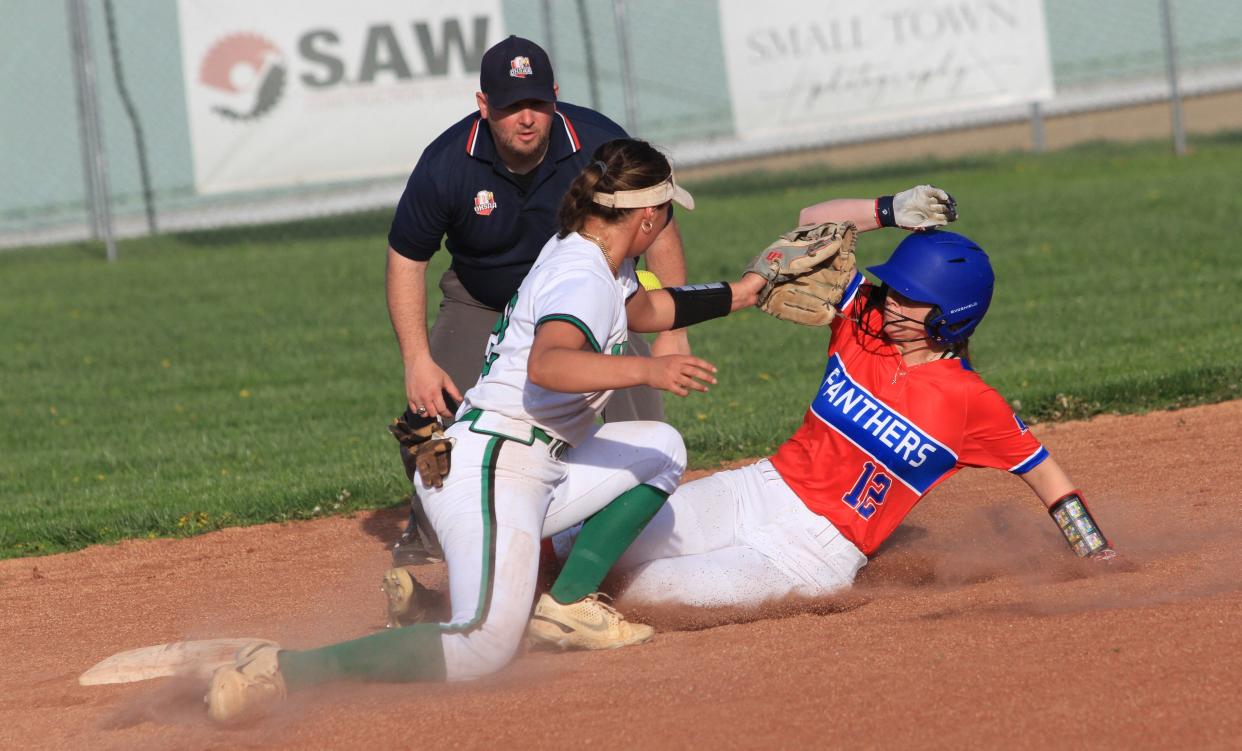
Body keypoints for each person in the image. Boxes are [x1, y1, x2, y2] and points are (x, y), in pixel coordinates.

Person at [203, 139, 771, 724]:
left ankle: (566, 608)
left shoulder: (601, 256)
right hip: (492, 470)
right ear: (648, 217)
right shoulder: (582, 275)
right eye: (667, 211)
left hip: (530, 463)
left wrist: (742, 294)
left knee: (660, 448)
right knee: (484, 646)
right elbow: (549, 364)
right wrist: (650, 368)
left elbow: (644, 311)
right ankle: (280, 671)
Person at [566, 196, 1117, 609]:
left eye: (911, 300)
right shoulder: (865, 322)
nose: (893, 303)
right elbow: (815, 220)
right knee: (594, 544)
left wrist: (1095, 551)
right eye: (894, 290)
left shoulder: (972, 403)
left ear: (954, 315)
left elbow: (1046, 475)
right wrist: (890, 209)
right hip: (758, 488)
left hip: (812, 552)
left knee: (645, 590)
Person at [386, 35, 691, 566]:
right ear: (483, 106)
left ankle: (621, 539)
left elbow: (659, 226)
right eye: (509, 106)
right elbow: (407, 258)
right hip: (483, 299)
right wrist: (417, 359)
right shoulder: (446, 164)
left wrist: (673, 329)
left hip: (601, 301)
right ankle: (432, 534)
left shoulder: (598, 143)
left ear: (554, 96)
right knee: (431, 416)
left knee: (641, 430)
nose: (525, 118)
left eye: (537, 103)